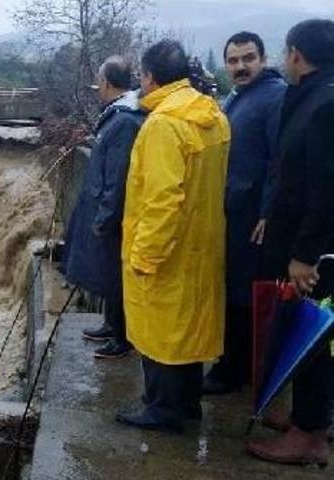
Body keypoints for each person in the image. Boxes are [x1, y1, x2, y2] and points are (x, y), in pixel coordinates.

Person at [115, 40, 230, 433]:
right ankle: (187, 403)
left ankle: (163, 408)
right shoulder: (212, 115)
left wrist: (145, 254)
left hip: (169, 248)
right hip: (204, 243)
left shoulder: (164, 124)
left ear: (149, 77)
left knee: (161, 331)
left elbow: (163, 199)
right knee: (189, 329)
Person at [246, 19, 334, 467]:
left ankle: (310, 433)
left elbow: (324, 190)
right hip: (301, 240)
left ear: (296, 54)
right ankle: (308, 417)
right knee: (309, 333)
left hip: (315, 253)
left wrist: (304, 255)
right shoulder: (314, 96)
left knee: (314, 338)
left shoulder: (325, 105)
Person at [204, 32, 287, 395]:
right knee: (235, 289)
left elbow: (278, 160)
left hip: (253, 217)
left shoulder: (274, 98)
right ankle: (235, 366)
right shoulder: (237, 97)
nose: (240, 66)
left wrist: (269, 212)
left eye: (248, 58)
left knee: (244, 294)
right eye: (234, 60)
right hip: (234, 211)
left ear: (263, 59)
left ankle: (235, 372)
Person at [64, 56, 145, 359]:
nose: (97, 86)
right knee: (109, 272)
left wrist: (106, 216)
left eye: (99, 81)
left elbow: (119, 176)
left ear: (107, 83)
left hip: (114, 214)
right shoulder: (119, 113)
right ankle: (111, 324)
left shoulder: (124, 120)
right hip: (106, 208)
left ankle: (122, 338)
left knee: (116, 274)